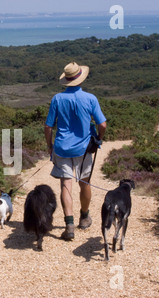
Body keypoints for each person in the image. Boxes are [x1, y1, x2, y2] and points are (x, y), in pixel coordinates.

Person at [44, 62, 107, 241]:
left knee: (66, 184)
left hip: (62, 147)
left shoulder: (57, 99)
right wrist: (99, 139)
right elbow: (102, 124)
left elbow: (48, 126)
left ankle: (69, 225)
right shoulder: (90, 98)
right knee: (84, 183)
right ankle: (84, 216)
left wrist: (50, 145)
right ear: (81, 79)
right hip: (84, 148)